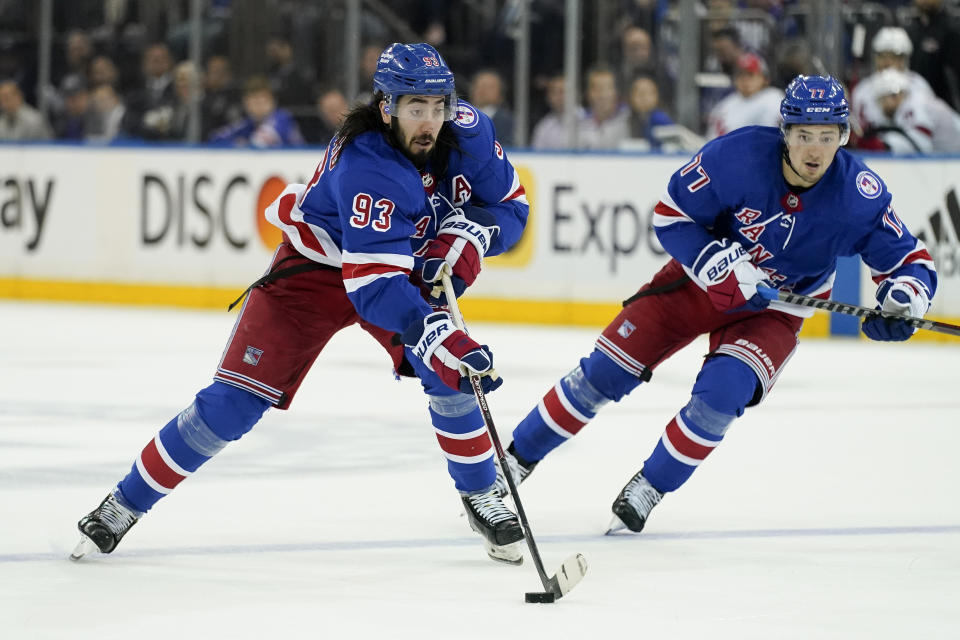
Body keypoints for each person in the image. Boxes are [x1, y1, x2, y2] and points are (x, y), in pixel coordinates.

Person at [71, 42, 531, 565]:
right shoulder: (370, 165)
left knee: (449, 374)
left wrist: (470, 236)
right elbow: (374, 289)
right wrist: (438, 333)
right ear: (386, 108)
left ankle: (481, 496)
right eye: (414, 108)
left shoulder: (469, 130)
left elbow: (513, 207)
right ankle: (123, 503)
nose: (430, 121)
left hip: (393, 265)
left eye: (438, 105)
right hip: (318, 273)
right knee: (234, 404)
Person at [494, 75, 937, 534]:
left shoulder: (857, 194)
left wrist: (905, 297)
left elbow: (909, 260)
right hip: (695, 286)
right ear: (784, 131)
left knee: (721, 398)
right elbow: (671, 213)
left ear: (843, 137)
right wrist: (711, 260)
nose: (815, 150)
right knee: (604, 374)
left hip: (773, 311)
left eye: (828, 137)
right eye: (804, 135)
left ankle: (651, 485)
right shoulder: (738, 155)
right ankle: (515, 460)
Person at [207, 76, 304, 147]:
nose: (259, 106)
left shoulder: (282, 118)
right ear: (245, 103)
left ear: (273, 102)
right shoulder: (247, 123)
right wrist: (237, 143)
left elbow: (258, 144)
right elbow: (215, 138)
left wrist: (241, 144)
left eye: (263, 100)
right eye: (254, 101)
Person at [706, 53, 783, 140]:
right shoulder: (725, 105)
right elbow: (714, 141)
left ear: (765, 79)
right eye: (740, 75)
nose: (745, 79)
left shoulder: (774, 98)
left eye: (750, 74)